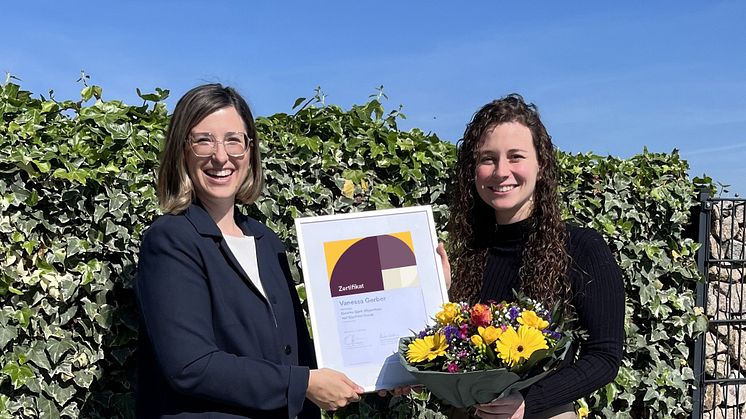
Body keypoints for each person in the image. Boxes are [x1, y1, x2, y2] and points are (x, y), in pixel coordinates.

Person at [135, 83, 364, 418]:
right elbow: (190, 365)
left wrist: (371, 371)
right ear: (182, 151)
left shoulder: (267, 242)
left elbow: (293, 356)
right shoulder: (170, 240)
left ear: (249, 149)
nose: (221, 156)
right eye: (203, 140)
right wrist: (301, 384)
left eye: (233, 140)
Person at [437, 94, 624, 419]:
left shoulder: (581, 248)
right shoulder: (468, 256)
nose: (501, 171)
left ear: (541, 164)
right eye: (487, 159)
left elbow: (604, 356)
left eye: (516, 156)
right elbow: (450, 355)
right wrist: (441, 296)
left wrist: (529, 402)